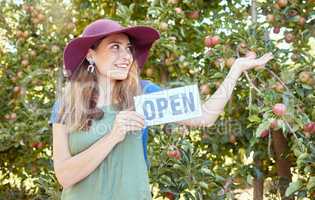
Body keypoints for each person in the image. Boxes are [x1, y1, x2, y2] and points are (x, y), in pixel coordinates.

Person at [50, 18, 274, 200]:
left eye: (128, 48)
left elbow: (205, 117)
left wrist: (236, 69)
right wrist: (113, 135)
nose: (126, 56)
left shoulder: (142, 94)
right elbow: (65, 176)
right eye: (114, 47)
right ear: (91, 54)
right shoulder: (66, 106)